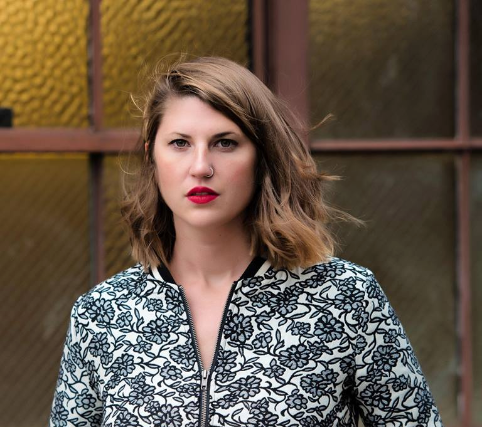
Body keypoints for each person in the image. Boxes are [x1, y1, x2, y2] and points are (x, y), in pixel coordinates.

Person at [49, 57, 443, 427]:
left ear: (261, 157)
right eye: (180, 143)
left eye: (225, 143)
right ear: (153, 157)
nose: (201, 167)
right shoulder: (102, 314)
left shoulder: (344, 299)